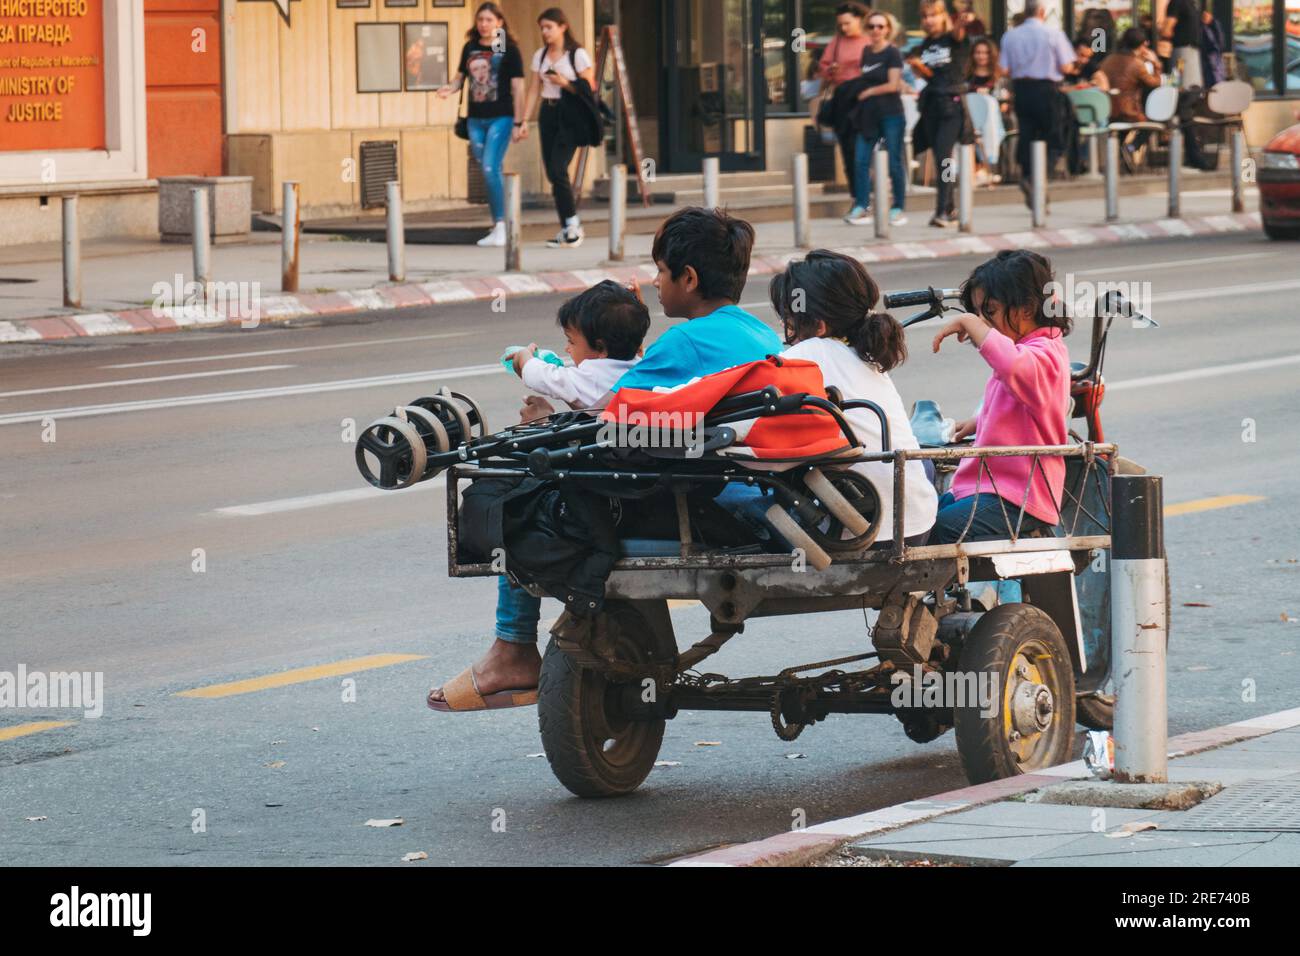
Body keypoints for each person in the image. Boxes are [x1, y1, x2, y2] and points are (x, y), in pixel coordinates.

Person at [427, 208, 783, 712]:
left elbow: (611, 421)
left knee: (514, 497)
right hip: (742, 487)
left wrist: (541, 424)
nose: (656, 284)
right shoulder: (758, 333)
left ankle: (512, 648)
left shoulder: (685, 341)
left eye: (661, 272)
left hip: (699, 499)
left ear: (689, 278)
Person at [769, 251, 938, 545]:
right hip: (916, 524)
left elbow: (749, 393)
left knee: (755, 513)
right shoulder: (867, 359)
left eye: (790, 321)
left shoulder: (808, 353)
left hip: (864, 534)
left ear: (818, 326)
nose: (788, 331)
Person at [929, 250, 1072, 543]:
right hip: (989, 489)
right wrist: (980, 421)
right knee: (918, 521)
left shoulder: (1045, 353)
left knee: (939, 530)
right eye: (979, 313)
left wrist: (972, 324)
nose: (983, 321)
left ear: (1028, 309)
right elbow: (1018, 406)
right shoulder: (1027, 351)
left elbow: (1014, 367)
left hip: (1018, 496)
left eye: (989, 312)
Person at [439, 3, 527, 248]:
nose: (484, 24)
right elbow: (460, 78)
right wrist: (449, 88)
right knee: (489, 168)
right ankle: (505, 223)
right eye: (480, 20)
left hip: (501, 117)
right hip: (475, 118)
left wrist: (520, 122)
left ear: (499, 22)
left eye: (489, 20)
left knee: (490, 168)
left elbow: (518, 87)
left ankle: (501, 224)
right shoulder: (471, 47)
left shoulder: (508, 49)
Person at [519, 8, 597, 249]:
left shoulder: (577, 54)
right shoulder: (540, 56)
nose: (545, 32)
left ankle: (573, 224)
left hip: (571, 115)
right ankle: (567, 226)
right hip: (548, 113)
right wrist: (523, 120)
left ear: (562, 26)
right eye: (542, 28)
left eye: (549, 27)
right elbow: (533, 89)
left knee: (558, 168)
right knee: (553, 174)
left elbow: (589, 87)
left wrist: (565, 82)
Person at [509, 280, 648, 410]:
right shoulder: (642, 367)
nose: (567, 348)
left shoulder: (592, 377)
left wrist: (524, 357)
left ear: (601, 348)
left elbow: (540, 376)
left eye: (571, 341)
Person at [998, 0, 1075, 207]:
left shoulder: (1011, 35)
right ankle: (1038, 180)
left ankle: (1026, 174)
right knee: (1056, 139)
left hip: (1021, 91)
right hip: (1046, 89)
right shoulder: (1053, 34)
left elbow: (1004, 69)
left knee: (1027, 135)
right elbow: (1067, 66)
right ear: (1041, 12)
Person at [910, 0, 974, 228]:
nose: (929, 20)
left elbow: (959, 31)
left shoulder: (953, 38)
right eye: (925, 16)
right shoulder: (926, 43)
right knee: (940, 158)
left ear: (943, 16)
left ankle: (941, 210)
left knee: (944, 158)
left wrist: (962, 15)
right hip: (931, 105)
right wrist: (919, 69)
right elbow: (932, 76)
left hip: (951, 105)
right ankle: (949, 207)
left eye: (933, 15)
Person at [842, 11, 908, 227]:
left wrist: (869, 92)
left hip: (891, 114)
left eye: (880, 26)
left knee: (894, 162)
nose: (876, 30)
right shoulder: (866, 51)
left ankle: (897, 206)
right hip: (868, 115)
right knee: (860, 160)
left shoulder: (893, 52)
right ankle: (862, 204)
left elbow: (893, 84)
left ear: (888, 29)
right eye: (871, 26)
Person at [817, 2, 873, 203]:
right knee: (848, 150)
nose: (843, 28)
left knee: (863, 149)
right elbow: (822, 68)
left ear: (859, 20)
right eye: (840, 24)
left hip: (865, 97)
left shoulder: (869, 40)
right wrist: (829, 70)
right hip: (842, 97)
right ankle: (857, 197)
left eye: (847, 23)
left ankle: (868, 194)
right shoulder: (837, 42)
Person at [1098, 28, 1162, 124]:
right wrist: (1156, 64)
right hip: (1128, 112)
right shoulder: (1137, 64)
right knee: (1152, 125)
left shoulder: (1108, 59)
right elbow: (1155, 84)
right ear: (1144, 44)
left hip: (1107, 110)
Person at [1161, 0, 1203, 88]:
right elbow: (1166, 30)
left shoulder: (1192, 4)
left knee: (1193, 87)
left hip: (1192, 50)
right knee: (1177, 84)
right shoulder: (1176, 2)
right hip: (1181, 52)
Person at [1200, 7, 1228, 88]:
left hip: (1212, 63)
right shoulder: (1203, 27)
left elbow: (1220, 44)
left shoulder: (1213, 25)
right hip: (1209, 62)